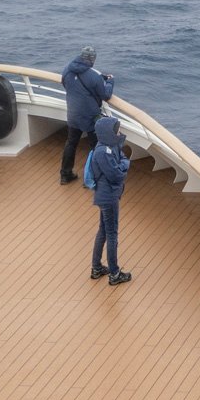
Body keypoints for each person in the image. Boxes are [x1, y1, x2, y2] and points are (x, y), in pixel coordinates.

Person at [86, 114, 132, 286]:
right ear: (109, 132)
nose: (119, 132)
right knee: (111, 234)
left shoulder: (109, 146)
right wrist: (123, 166)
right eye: (117, 130)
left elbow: (123, 160)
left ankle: (97, 267)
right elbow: (116, 175)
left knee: (103, 231)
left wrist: (122, 164)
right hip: (108, 197)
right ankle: (114, 273)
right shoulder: (104, 152)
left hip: (105, 195)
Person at [59, 46, 114, 184]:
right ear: (92, 60)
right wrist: (110, 82)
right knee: (95, 147)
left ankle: (65, 175)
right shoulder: (94, 77)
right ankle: (92, 178)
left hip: (73, 113)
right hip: (90, 116)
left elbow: (65, 83)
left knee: (71, 143)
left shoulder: (67, 70)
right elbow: (105, 96)